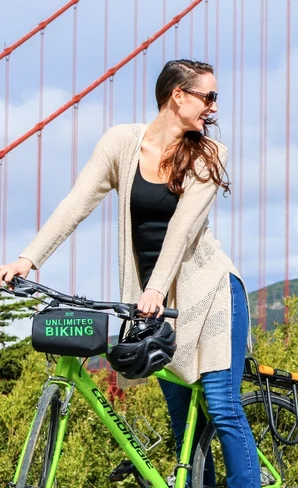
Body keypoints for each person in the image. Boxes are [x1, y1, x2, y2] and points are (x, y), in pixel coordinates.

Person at [0, 59, 261, 487]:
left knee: (221, 404)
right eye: (208, 97)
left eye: (215, 98)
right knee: (183, 424)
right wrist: (26, 259)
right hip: (153, 300)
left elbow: (181, 229)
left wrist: (156, 288)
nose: (213, 108)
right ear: (178, 95)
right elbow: (75, 204)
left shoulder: (209, 154)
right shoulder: (122, 142)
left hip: (208, 292)